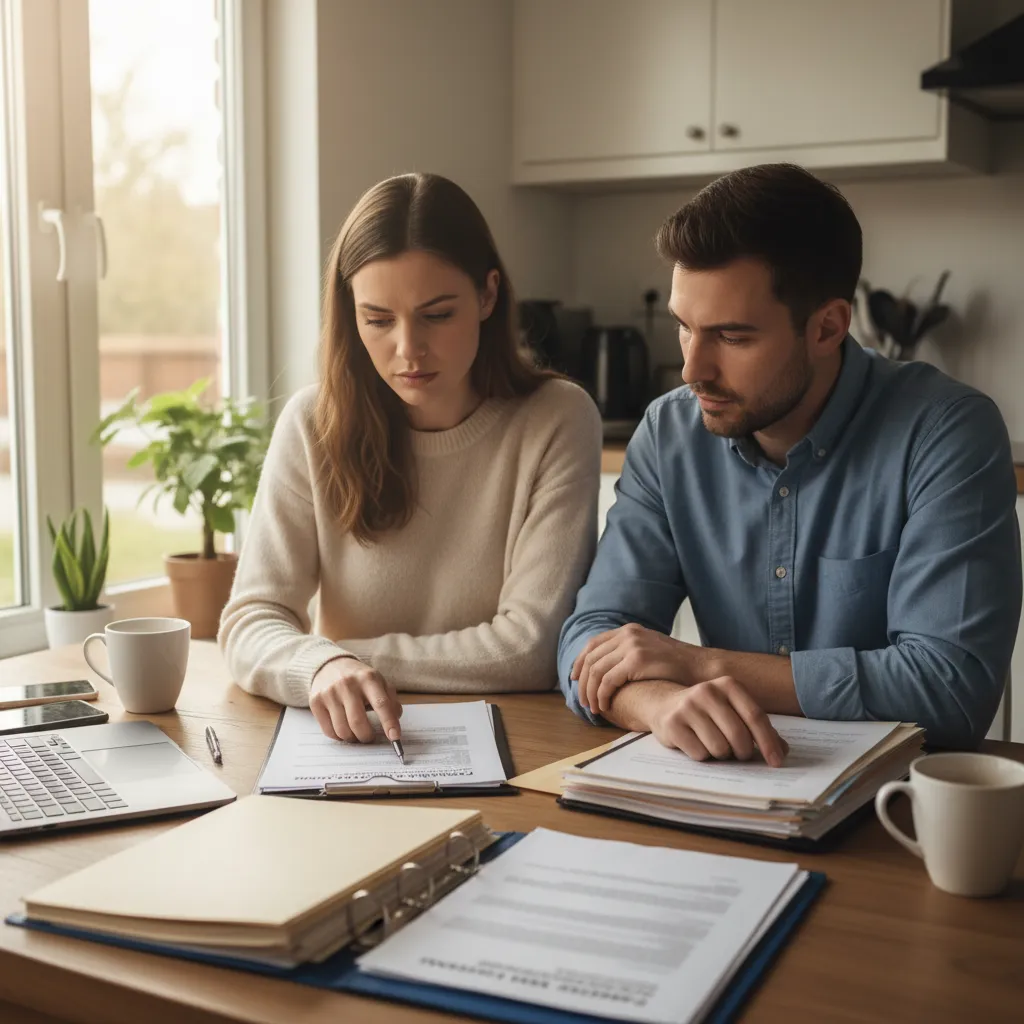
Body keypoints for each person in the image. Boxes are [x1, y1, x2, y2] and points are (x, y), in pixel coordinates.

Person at [558, 162, 1020, 758]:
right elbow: (587, 640)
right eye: (684, 327)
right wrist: (658, 704)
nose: (692, 370)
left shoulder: (946, 432)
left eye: (732, 337)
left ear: (827, 327)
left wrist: (699, 666)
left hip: (894, 814)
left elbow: (950, 692)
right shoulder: (669, 432)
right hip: (720, 790)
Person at [221, 172, 601, 742]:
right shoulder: (311, 424)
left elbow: (529, 648)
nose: (408, 349)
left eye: (437, 314)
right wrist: (320, 667)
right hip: (353, 742)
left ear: (488, 295)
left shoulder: (557, 419)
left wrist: (339, 656)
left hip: (515, 740)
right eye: (377, 319)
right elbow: (251, 620)